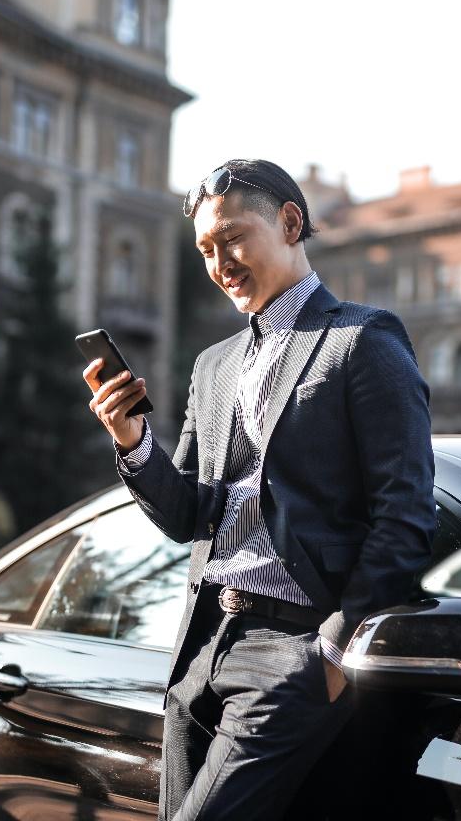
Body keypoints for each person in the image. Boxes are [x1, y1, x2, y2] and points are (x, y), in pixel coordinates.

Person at [84, 159, 435, 821]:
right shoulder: (211, 366)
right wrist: (132, 441)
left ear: (291, 222)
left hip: (293, 648)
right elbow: (189, 512)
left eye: (233, 239)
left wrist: (334, 647)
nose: (220, 264)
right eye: (205, 251)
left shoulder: (361, 340)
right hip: (204, 640)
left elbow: (407, 514)